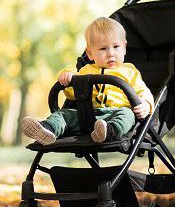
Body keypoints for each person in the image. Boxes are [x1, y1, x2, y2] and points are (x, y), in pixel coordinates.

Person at [20, 17, 155, 145]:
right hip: (87, 116)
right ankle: (47, 129)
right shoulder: (86, 70)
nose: (110, 53)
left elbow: (144, 92)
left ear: (124, 48)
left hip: (115, 113)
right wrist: (67, 79)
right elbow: (73, 94)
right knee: (63, 114)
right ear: (90, 53)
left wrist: (145, 105)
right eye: (103, 48)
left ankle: (109, 131)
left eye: (116, 47)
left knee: (127, 114)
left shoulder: (130, 72)